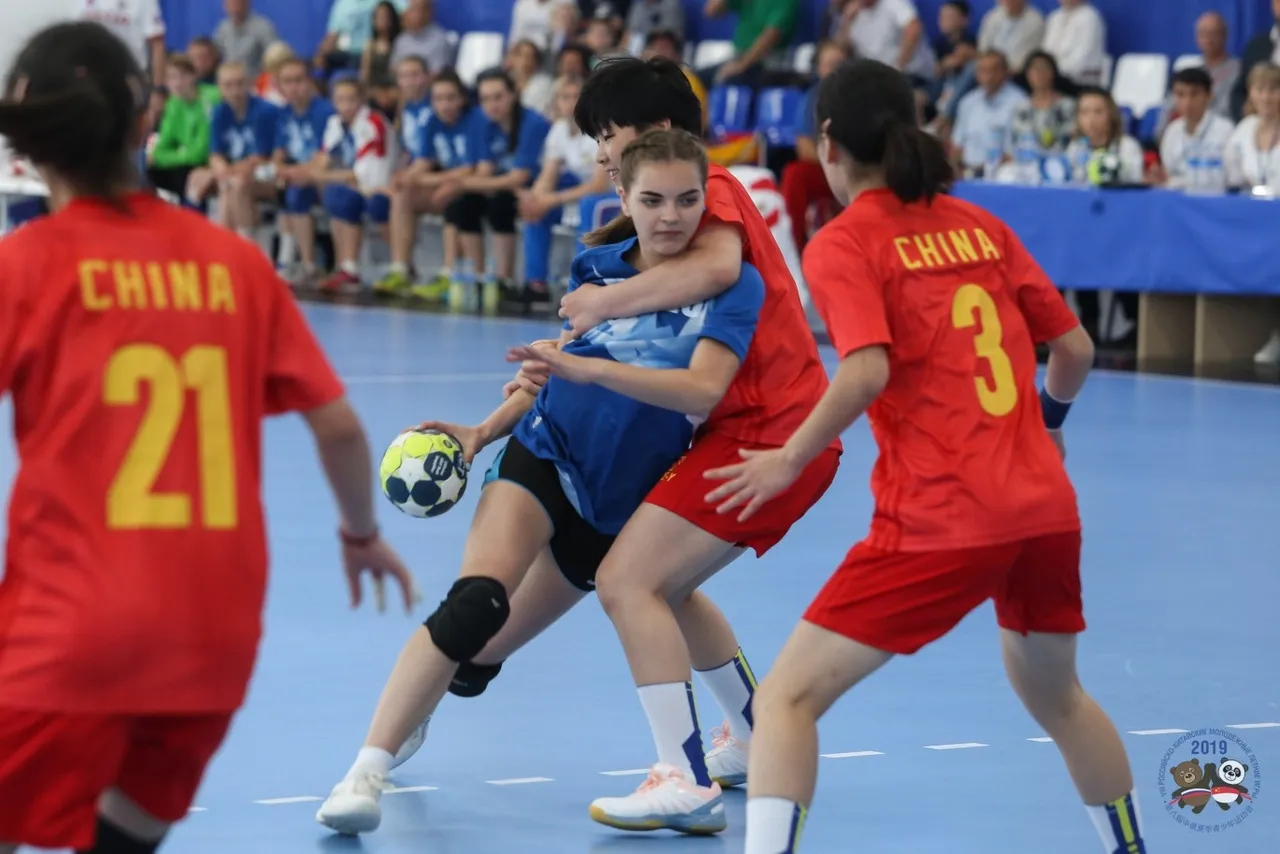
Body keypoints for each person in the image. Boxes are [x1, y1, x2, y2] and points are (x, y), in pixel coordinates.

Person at [702, 58, 1146, 854]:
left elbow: (866, 369)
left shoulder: (844, 243)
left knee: (785, 701)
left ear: (828, 142)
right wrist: (1048, 425)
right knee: (1061, 699)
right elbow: (1073, 348)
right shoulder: (980, 225)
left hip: (942, 517)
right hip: (1045, 509)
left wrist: (787, 459)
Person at [0, 21, 417, 854]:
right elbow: (338, 426)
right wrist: (361, 534)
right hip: (212, 636)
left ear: (29, 142)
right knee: (123, 832)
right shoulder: (235, 264)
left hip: (70, 624)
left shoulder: (28, 265)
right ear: (143, 119)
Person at [315, 127, 766, 836]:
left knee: (479, 655)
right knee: (475, 603)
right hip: (542, 454)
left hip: (614, 507)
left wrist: (585, 367)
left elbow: (700, 391)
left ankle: (429, 695)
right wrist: (482, 432)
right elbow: (550, 370)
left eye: (687, 200)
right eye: (652, 200)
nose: (671, 215)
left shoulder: (734, 288)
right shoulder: (598, 268)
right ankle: (363, 773)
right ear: (625, 198)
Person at [511, 56, 841, 834]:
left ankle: (683, 777)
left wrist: (606, 302)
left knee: (627, 580)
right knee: (672, 587)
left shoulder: (706, 187)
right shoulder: (673, 199)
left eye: (608, 132)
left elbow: (719, 267)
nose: (601, 149)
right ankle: (751, 737)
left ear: (657, 130)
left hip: (768, 431)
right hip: (748, 427)